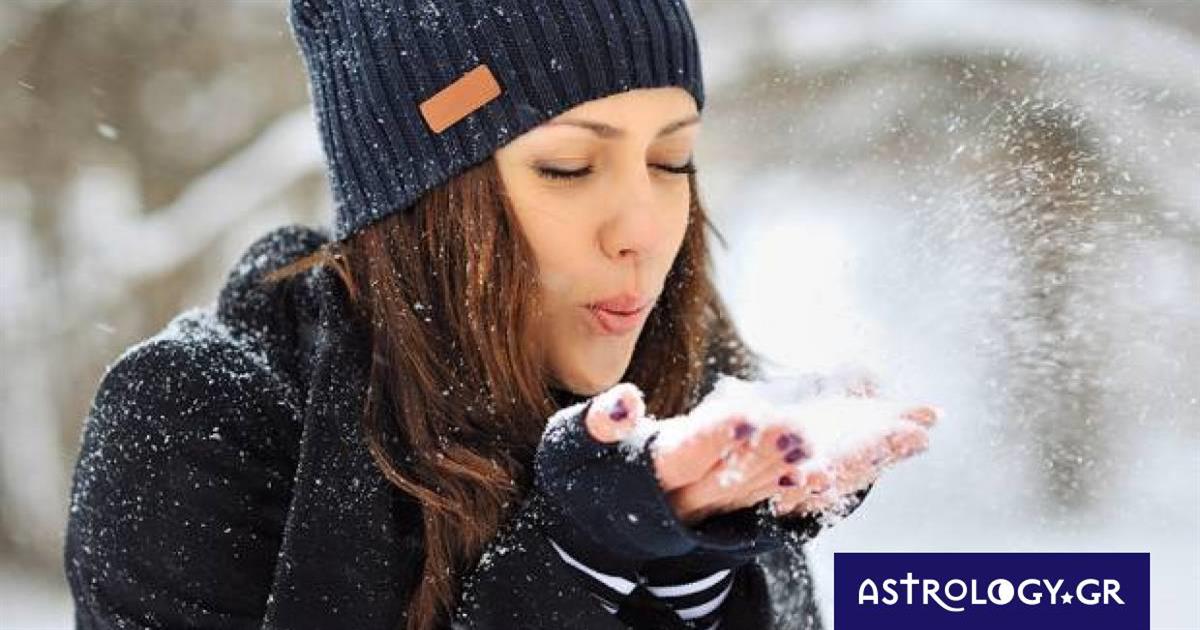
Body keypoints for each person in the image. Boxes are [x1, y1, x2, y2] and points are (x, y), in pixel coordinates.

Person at [62, 1, 936, 629]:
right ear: (422, 198)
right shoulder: (198, 421)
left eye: (672, 162)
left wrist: (697, 562)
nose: (645, 232)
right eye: (566, 166)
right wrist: (579, 562)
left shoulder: (693, 407)